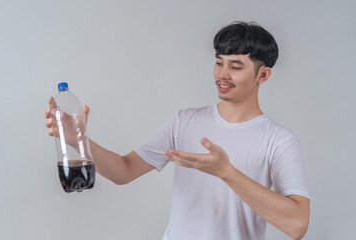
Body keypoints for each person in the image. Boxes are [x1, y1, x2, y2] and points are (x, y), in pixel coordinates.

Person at [45, 21, 310, 240]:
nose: (222, 74)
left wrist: (227, 173)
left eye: (236, 67)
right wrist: (73, 137)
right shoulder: (184, 122)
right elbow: (124, 171)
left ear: (263, 75)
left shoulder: (279, 141)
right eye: (219, 63)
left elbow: (297, 225)